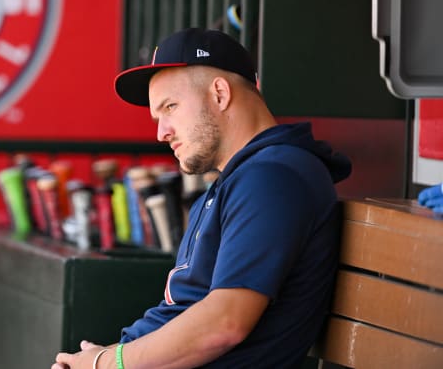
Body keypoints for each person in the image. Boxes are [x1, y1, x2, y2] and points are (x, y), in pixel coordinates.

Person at [52, 28, 352, 369]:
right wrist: (101, 357)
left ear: (220, 94)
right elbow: (187, 308)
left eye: (171, 107)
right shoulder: (241, 178)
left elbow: (224, 324)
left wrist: (108, 363)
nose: (161, 132)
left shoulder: (273, 176)